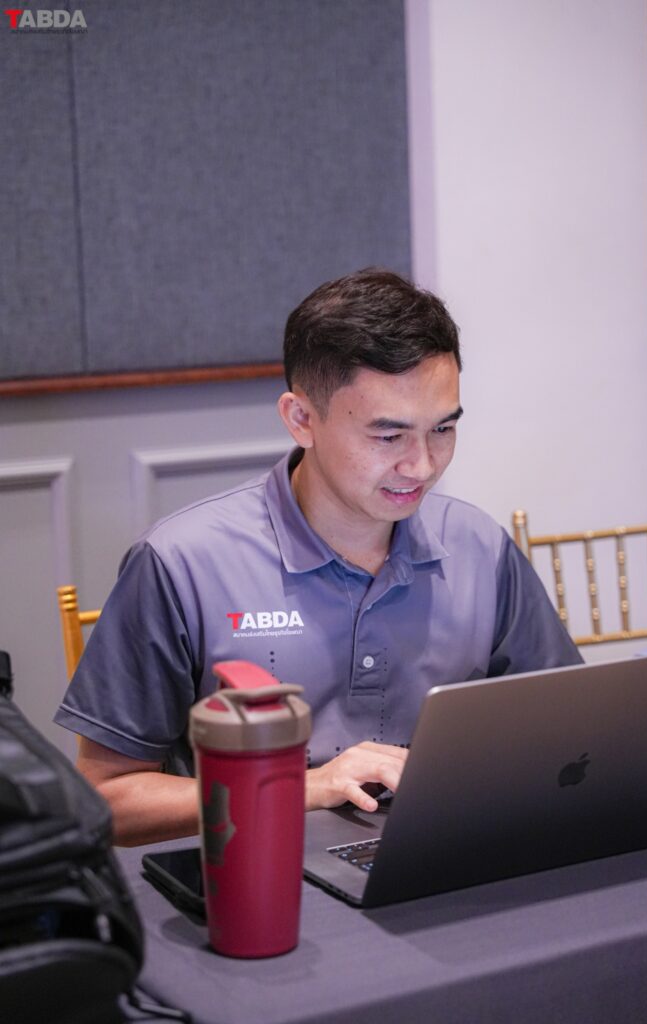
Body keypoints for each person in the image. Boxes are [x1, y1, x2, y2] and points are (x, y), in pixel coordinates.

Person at [55, 268, 582, 845]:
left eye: (442, 430)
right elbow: (106, 800)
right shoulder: (180, 562)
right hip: (254, 870)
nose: (422, 465)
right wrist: (303, 787)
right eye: (389, 437)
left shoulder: (478, 546)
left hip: (442, 855)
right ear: (301, 419)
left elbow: (570, 737)